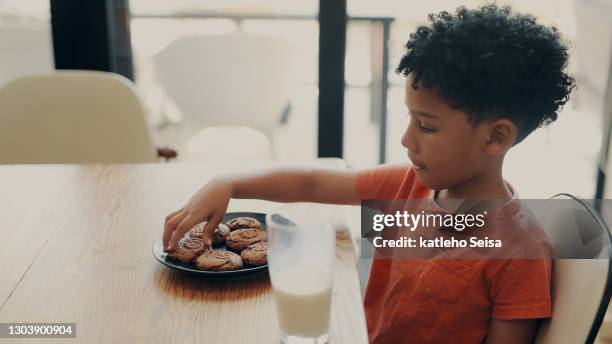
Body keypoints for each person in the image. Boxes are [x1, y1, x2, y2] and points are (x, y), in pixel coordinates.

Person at [163, 5, 575, 343]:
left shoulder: (520, 252)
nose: (405, 139)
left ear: (495, 138)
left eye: (427, 126)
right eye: (410, 120)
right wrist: (228, 183)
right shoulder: (406, 186)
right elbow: (312, 181)